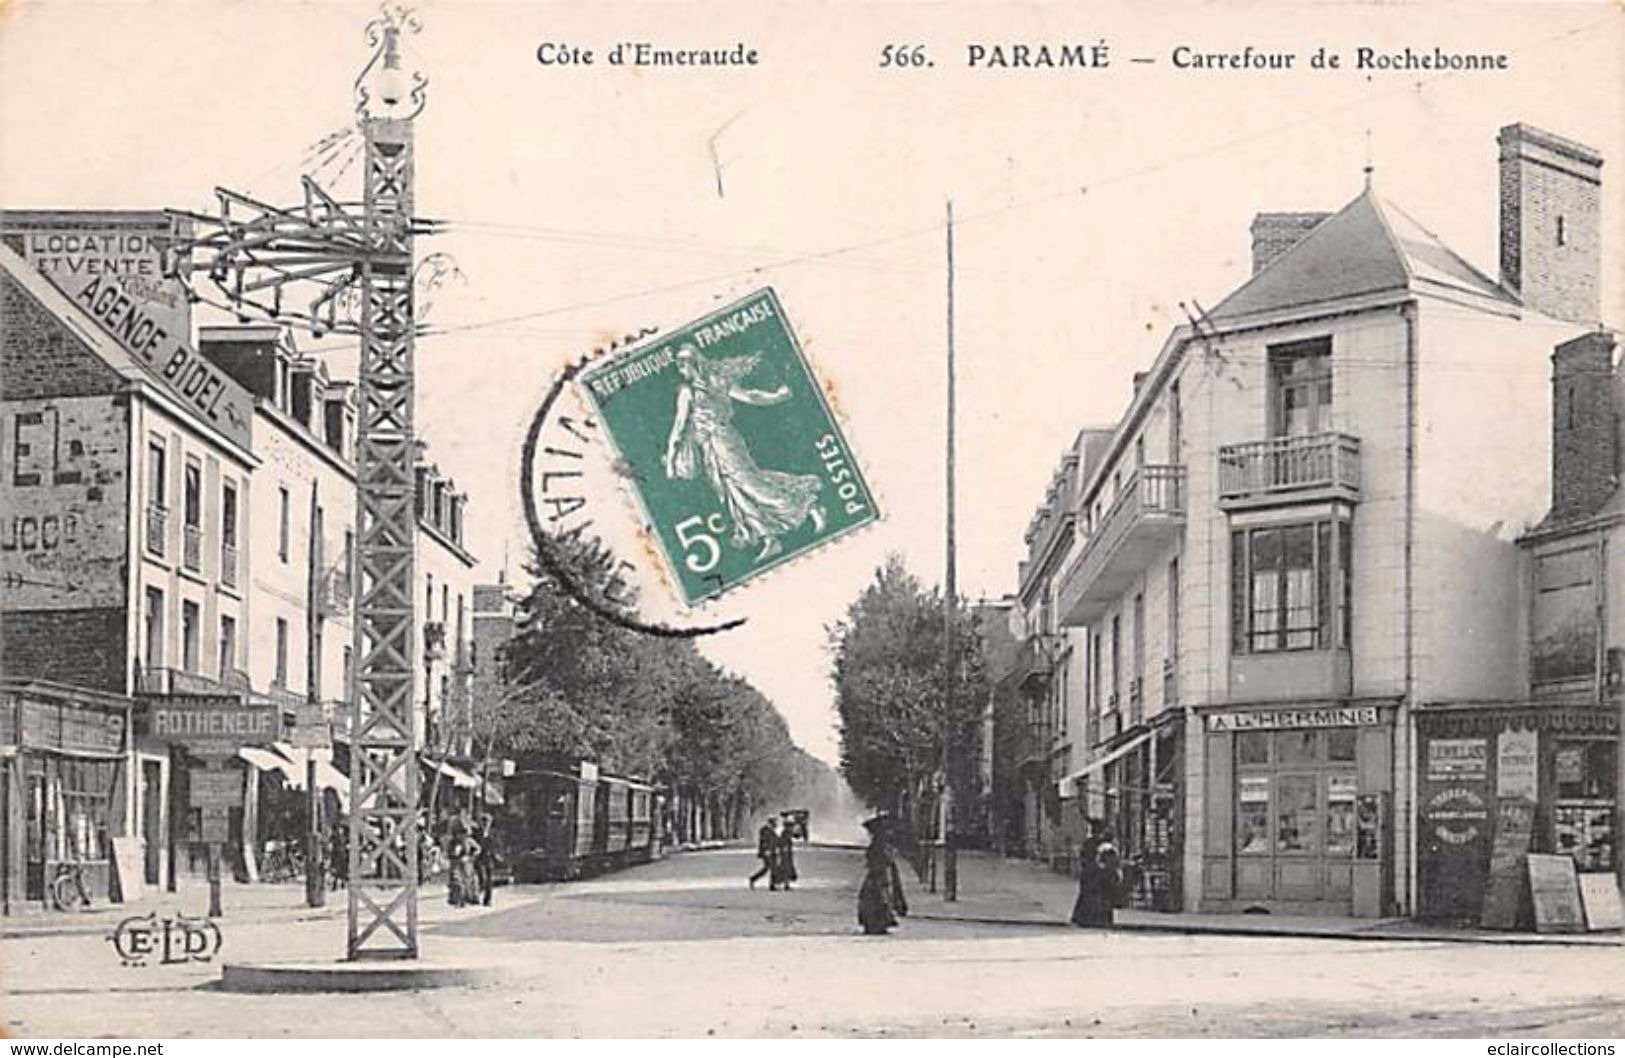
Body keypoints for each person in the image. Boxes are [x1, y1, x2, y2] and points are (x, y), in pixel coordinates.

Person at [663, 344, 826, 563]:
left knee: (751, 484)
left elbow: (679, 427)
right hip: (712, 447)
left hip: (724, 443)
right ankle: (768, 538)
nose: (681, 371)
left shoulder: (694, 390)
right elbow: (752, 397)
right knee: (734, 492)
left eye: (682, 366)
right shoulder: (711, 383)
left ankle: (809, 507)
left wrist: (671, 461)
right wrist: (777, 396)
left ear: (693, 364)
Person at [857, 815, 908, 935]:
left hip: (878, 875)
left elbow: (881, 860)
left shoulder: (879, 844)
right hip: (879, 875)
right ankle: (877, 923)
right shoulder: (880, 844)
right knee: (879, 899)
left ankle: (877, 923)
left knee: (878, 899)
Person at [1070, 820, 1112, 928]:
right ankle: (1097, 919)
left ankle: (1084, 918)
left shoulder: (1090, 843)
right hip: (1095, 874)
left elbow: (1083, 858)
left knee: (1089, 897)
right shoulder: (1101, 844)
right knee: (1097, 897)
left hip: (1089, 874)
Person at [749, 816, 779, 889]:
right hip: (767, 852)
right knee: (772, 868)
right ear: (771, 822)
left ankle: (753, 879)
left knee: (767, 868)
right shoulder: (765, 830)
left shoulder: (772, 831)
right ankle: (772, 885)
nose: (776, 824)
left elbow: (775, 841)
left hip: (772, 851)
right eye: (775, 822)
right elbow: (764, 841)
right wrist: (766, 850)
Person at [770, 813, 798, 891]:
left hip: (787, 852)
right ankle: (781, 884)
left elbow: (796, 836)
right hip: (785, 853)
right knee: (784, 868)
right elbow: (782, 841)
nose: (792, 827)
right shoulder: (785, 832)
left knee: (786, 868)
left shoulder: (786, 832)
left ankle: (784, 884)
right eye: (791, 825)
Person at [474, 812, 496, 907]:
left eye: (487, 822)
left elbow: (496, 845)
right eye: (484, 822)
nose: (486, 824)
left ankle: (488, 900)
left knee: (489, 880)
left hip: (489, 859)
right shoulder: (476, 833)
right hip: (479, 859)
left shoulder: (493, 833)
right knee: (482, 878)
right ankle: (478, 894)